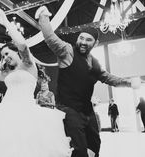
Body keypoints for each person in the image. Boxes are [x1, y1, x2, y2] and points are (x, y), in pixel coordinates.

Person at [0, 6, 72, 157]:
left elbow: (22, 44)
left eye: (7, 53)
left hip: (26, 112)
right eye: (2, 56)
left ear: (16, 51)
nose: (4, 58)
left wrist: (6, 23)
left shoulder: (28, 64)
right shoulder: (6, 73)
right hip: (5, 112)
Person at [36, 6, 140, 157]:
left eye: (88, 39)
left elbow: (110, 78)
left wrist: (130, 83)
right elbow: (50, 37)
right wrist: (44, 16)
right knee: (79, 148)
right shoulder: (68, 51)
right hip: (68, 108)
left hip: (87, 111)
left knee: (95, 145)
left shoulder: (95, 63)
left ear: (95, 43)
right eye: (81, 38)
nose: (83, 42)